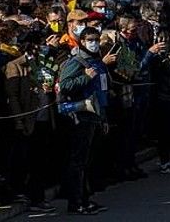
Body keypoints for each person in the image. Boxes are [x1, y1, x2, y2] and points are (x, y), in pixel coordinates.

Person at [57, 26, 110, 216]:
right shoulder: (76, 61)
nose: (94, 43)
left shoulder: (96, 61)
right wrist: (84, 78)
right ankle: (76, 201)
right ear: (82, 41)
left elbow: (102, 91)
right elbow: (65, 86)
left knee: (88, 160)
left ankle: (86, 198)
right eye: (90, 40)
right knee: (78, 161)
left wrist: (103, 117)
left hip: (95, 114)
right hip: (81, 114)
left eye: (96, 39)